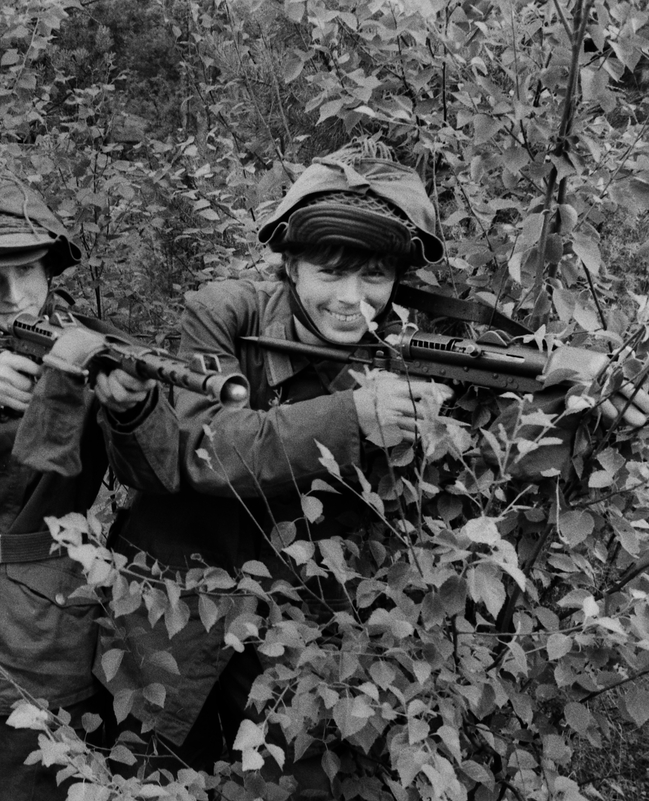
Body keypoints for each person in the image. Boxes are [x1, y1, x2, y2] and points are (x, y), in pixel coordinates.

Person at [93, 147, 649, 796]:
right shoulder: (225, 312)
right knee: (143, 780)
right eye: (330, 272)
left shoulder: (414, 338)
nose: (353, 301)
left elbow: (502, 464)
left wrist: (587, 399)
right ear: (290, 263)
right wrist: (352, 416)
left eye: (375, 277)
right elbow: (202, 446)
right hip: (172, 613)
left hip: (305, 642)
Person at [0, 180, 180, 801]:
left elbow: (156, 477)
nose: (14, 295)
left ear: (49, 267)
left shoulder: (97, 345)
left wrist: (130, 410)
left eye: (25, 271)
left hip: (45, 630)